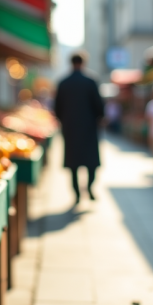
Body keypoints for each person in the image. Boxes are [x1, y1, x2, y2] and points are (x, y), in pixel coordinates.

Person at [54, 53, 104, 203]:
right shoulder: (91, 81)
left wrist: (65, 121)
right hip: (89, 127)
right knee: (91, 162)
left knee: (73, 163)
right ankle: (89, 187)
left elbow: (57, 108)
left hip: (70, 128)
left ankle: (76, 193)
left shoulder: (63, 82)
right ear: (83, 63)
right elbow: (100, 107)